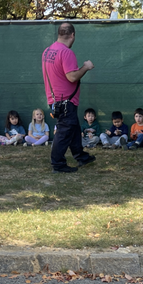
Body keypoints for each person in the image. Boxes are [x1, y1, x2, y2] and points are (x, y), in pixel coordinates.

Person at [41, 22, 96, 173]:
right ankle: (57, 164)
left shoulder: (47, 51)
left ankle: (81, 156)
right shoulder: (66, 52)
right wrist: (86, 67)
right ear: (72, 35)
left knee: (73, 128)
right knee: (64, 132)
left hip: (55, 100)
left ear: (59, 34)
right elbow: (72, 77)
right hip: (66, 101)